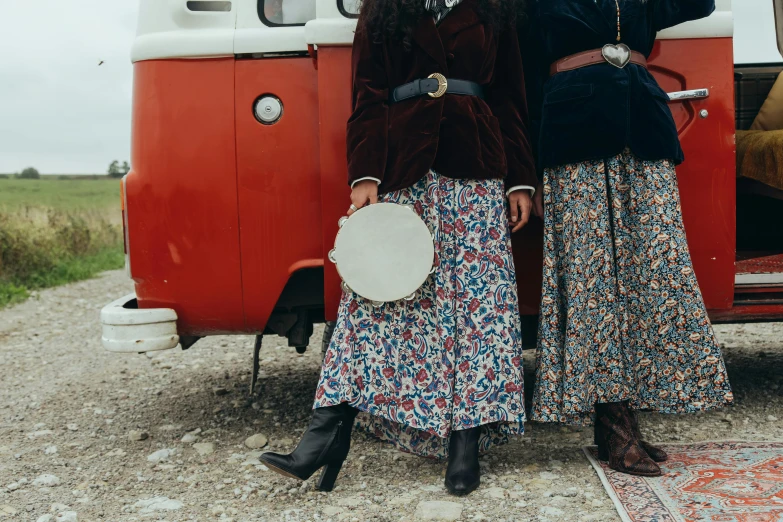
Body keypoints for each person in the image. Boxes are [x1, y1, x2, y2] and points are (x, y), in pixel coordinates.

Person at [261, 0, 537, 496]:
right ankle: (325, 433)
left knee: (478, 306)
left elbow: (510, 98)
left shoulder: (494, 8)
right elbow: (366, 96)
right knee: (376, 298)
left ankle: (464, 441)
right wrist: (364, 175)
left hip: (474, 166)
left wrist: (520, 178)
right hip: (402, 168)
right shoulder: (383, 5)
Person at [521, 0, 734, 476]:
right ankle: (616, 430)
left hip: (644, 130)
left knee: (652, 278)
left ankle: (626, 422)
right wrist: (529, 173)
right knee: (594, 285)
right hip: (572, 137)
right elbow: (525, 87)